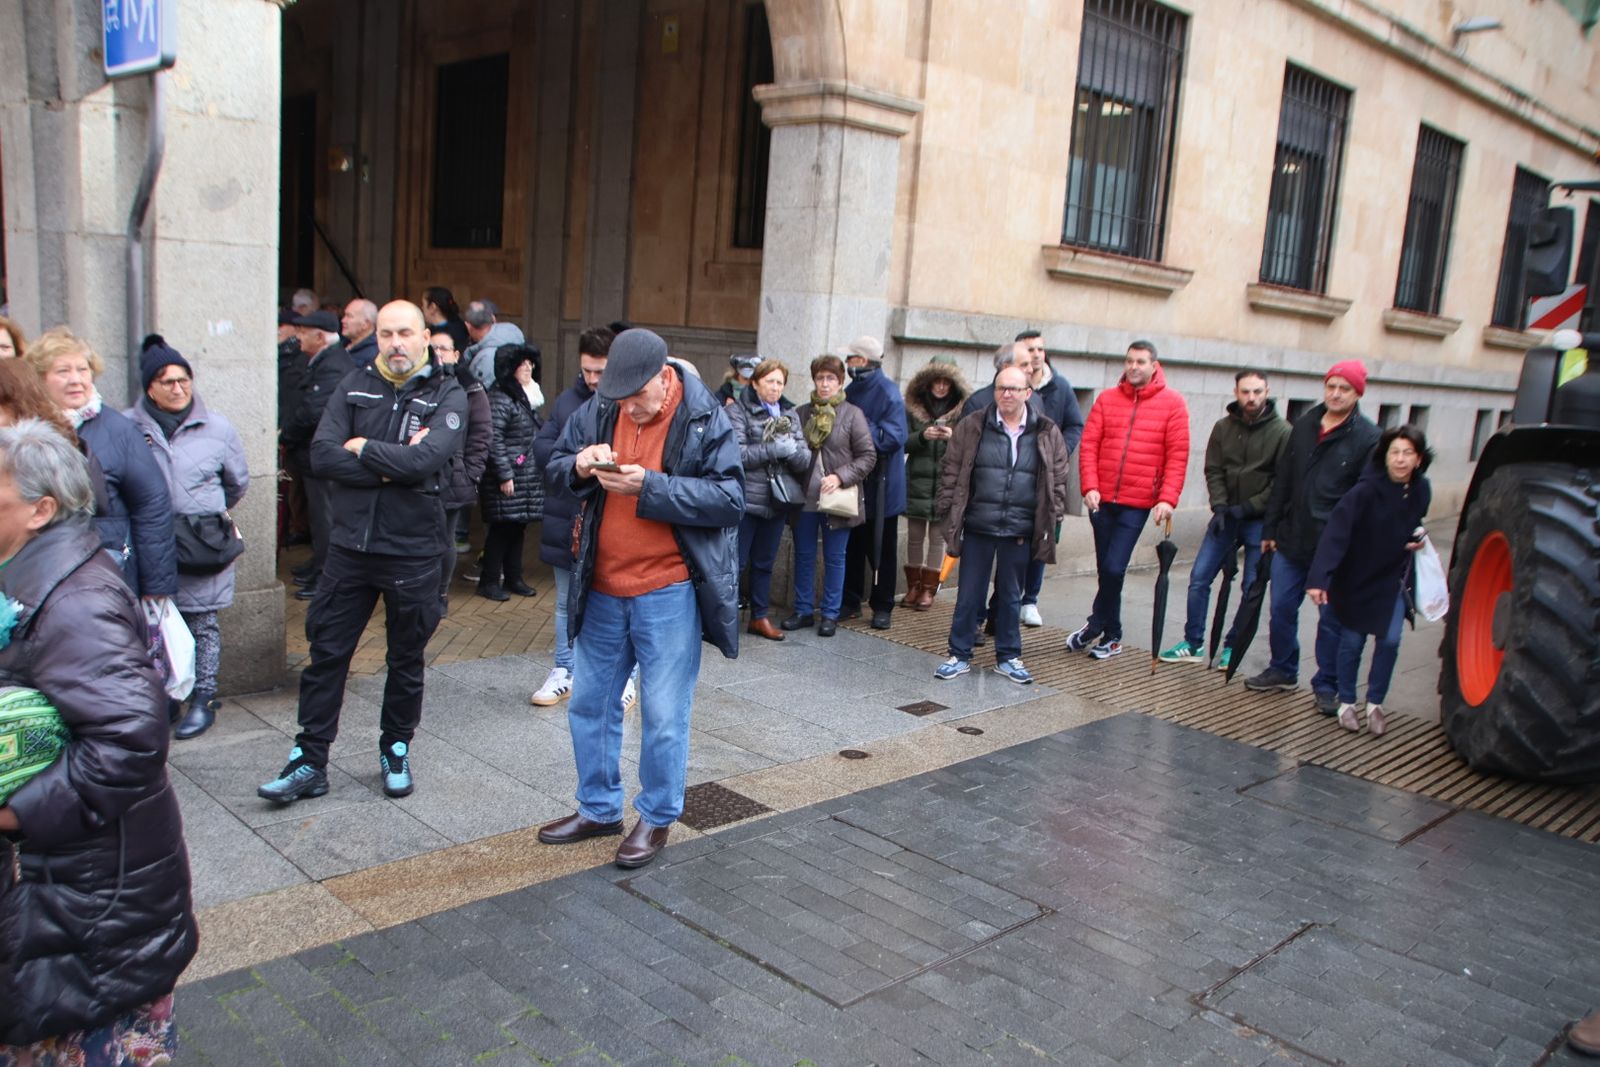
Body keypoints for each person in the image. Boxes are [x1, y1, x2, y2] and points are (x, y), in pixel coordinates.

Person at [0, 419, 198, 1060]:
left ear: (41, 510)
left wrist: (14, 811)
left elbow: (130, 743)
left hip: (90, 901)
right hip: (74, 895)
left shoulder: (74, 600)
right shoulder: (31, 577)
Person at [540, 328, 742, 869]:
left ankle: (656, 816)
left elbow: (731, 498)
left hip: (668, 590)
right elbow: (554, 464)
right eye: (617, 398)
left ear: (662, 377)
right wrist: (580, 465)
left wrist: (650, 487)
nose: (627, 409)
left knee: (663, 714)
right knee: (588, 703)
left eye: (636, 398)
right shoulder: (601, 408)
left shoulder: (703, 414)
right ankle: (599, 808)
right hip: (602, 586)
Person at [258, 301, 467, 805]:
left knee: (405, 658)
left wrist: (364, 448)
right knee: (327, 655)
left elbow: (426, 459)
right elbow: (322, 455)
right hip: (350, 548)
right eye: (387, 333)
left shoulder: (448, 392)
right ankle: (309, 760)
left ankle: (395, 748)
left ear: (423, 337)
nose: (396, 343)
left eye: (406, 333)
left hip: (413, 550)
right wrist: (393, 463)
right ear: (375, 337)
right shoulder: (352, 384)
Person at [127, 337, 250, 741]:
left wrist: (204, 514)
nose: (178, 389)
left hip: (201, 542)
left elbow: (237, 482)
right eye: (167, 382)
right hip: (149, 541)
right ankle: (163, 697)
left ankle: (204, 698)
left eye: (183, 380)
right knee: (154, 624)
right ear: (149, 387)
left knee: (203, 622)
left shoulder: (217, 426)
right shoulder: (129, 427)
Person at [1247, 360, 1381, 712]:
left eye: (1344, 389)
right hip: (1292, 537)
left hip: (1334, 546)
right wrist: (1271, 527)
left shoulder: (1369, 438)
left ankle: (1327, 684)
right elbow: (1284, 479)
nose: (1336, 394)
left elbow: (1366, 497)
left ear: (1357, 394)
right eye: (1331, 386)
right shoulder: (1305, 425)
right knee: (1281, 609)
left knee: (1330, 619)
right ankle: (1283, 668)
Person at [934, 365, 1070, 685]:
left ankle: (1009, 656)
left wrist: (1055, 514)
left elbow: (1058, 478)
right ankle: (959, 654)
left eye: (1013, 388)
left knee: (1011, 596)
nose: (1006, 394)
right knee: (969, 594)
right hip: (979, 524)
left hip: (1020, 528)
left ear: (1027, 393)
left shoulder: (1046, 431)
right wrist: (947, 511)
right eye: (1000, 388)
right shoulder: (973, 425)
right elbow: (951, 471)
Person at [24, 327, 177, 601]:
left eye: (83, 370)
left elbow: (152, 506)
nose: (76, 380)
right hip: (39, 570)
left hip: (107, 569)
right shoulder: (25, 430)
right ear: (40, 378)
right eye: (63, 371)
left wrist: (156, 586)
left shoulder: (120, 431)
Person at [1160, 369, 1290, 669]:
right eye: (1245, 392)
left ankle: (1233, 645)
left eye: (1257, 391)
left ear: (1267, 391)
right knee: (1200, 577)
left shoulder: (1283, 432)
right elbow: (1213, 469)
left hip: (1259, 520)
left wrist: (1248, 508)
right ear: (1236, 393)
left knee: (1251, 586)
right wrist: (1220, 507)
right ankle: (1193, 642)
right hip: (1225, 516)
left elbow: (1281, 483)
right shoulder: (1223, 428)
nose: (1251, 398)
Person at [1306, 425, 1432, 736]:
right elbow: (1337, 534)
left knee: (1390, 640)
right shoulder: (1364, 491)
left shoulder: (1421, 490)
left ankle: (1375, 703)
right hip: (1357, 578)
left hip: (1392, 580)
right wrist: (1320, 578)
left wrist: (1414, 538)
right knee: (1352, 642)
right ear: (1385, 456)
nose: (1400, 460)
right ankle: (1347, 702)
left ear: (1418, 459)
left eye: (1407, 453)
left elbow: (1410, 524)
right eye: (1394, 452)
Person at [1068, 340, 1189, 661]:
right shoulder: (1107, 399)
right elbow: (1090, 444)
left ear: (1154, 366)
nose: (1133, 367)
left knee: (1114, 566)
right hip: (1102, 500)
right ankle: (1106, 631)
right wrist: (1089, 487)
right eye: (1129, 361)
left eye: (1140, 362)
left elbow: (1177, 456)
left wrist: (1167, 499)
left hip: (1137, 503)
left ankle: (1104, 627)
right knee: (1105, 569)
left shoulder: (1173, 403)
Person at [530, 326, 614, 707]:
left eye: (600, 371)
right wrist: (579, 459)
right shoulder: (568, 401)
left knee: (613, 603)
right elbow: (544, 449)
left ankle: (619, 676)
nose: (593, 380)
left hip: (611, 521)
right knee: (565, 601)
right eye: (587, 371)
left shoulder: (626, 403)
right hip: (568, 518)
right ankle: (564, 668)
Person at [781, 354, 875, 637]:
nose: (824, 384)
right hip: (805, 497)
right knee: (804, 555)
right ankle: (803, 610)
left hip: (837, 498)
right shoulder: (801, 413)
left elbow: (868, 456)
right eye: (820, 378)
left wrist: (840, 476)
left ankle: (831, 614)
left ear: (840, 382)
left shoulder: (852, 414)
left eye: (830, 379)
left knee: (835, 557)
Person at [728, 358, 809, 640]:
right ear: (755, 382)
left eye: (779, 382)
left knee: (765, 563)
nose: (775, 388)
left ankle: (759, 617)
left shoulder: (790, 414)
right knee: (734, 563)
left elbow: (804, 457)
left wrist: (792, 452)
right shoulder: (738, 411)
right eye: (769, 381)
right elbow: (737, 455)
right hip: (746, 499)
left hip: (777, 500)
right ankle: (724, 619)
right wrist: (773, 449)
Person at [281, 309, 354, 600]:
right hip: (311, 456)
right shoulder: (323, 360)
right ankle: (319, 563)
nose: (297, 337)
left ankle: (327, 573)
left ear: (320, 336)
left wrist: (286, 434)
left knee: (326, 517)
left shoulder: (334, 364)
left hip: (323, 455)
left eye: (303, 332)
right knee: (317, 514)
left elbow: (314, 410)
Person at [1015, 330, 1085, 627]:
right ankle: (1007, 597)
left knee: (1042, 536)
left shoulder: (1061, 387)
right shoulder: (1012, 383)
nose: (1036, 354)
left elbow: (1074, 425)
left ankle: (1030, 599)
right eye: (1030, 349)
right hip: (1017, 473)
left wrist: (1059, 453)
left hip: (1048, 475)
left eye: (1040, 349)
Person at [841, 335, 906, 629]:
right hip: (857, 482)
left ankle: (883, 606)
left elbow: (893, 437)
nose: (847, 365)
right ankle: (851, 600)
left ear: (862, 361)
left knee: (883, 548)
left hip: (881, 486)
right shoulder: (853, 388)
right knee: (853, 545)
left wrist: (860, 423)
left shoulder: (888, 392)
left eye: (850, 359)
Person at [901, 355, 970, 610]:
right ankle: (913, 587)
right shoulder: (913, 407)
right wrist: (922, 436)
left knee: (938, 538)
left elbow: (970, 447)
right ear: (928, 382)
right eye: (936, 381)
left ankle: (929, 589)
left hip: (945, 483)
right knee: (915, 536)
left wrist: (953, 437)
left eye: (946, 382)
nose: (941, 387)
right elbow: (902, 442)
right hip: (917, 481)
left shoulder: (963, 410)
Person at [478, 343, 545, 602]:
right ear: (509, 369)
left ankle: (514, 577)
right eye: (522, 364)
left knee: (517, 528)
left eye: (530, 363)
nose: (528, 368)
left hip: (523, 475)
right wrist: (505, 475)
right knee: (501, 530)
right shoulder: (500, 398)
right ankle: (490, 581)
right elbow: (493, 440)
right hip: (508, 477)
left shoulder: (525, 397)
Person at [430, 328, 490, 615]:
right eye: (432, 348)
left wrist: (470, 473)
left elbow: (481, 433)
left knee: (445, 539)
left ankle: (439, 593)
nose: (437, 354)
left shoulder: (470, 388)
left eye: (443, 348)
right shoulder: (421, 383)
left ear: (456, 354)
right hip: (419, 475)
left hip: (453, 477)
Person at [462, 299, 526, 388]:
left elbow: (480, 394)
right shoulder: (513, 335)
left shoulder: (487, 358)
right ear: (493, 319)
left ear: (468, 326)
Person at [422, 286, 471, 354]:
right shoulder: (459, 326)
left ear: (432, 307)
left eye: (423, 304)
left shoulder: (457, 332)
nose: (422, 308)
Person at [340, 298, 379, 368]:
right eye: (344, 315)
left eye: (349, 316)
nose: (343, 320)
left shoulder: (374, 356)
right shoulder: (341, 344)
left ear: (366, 324)